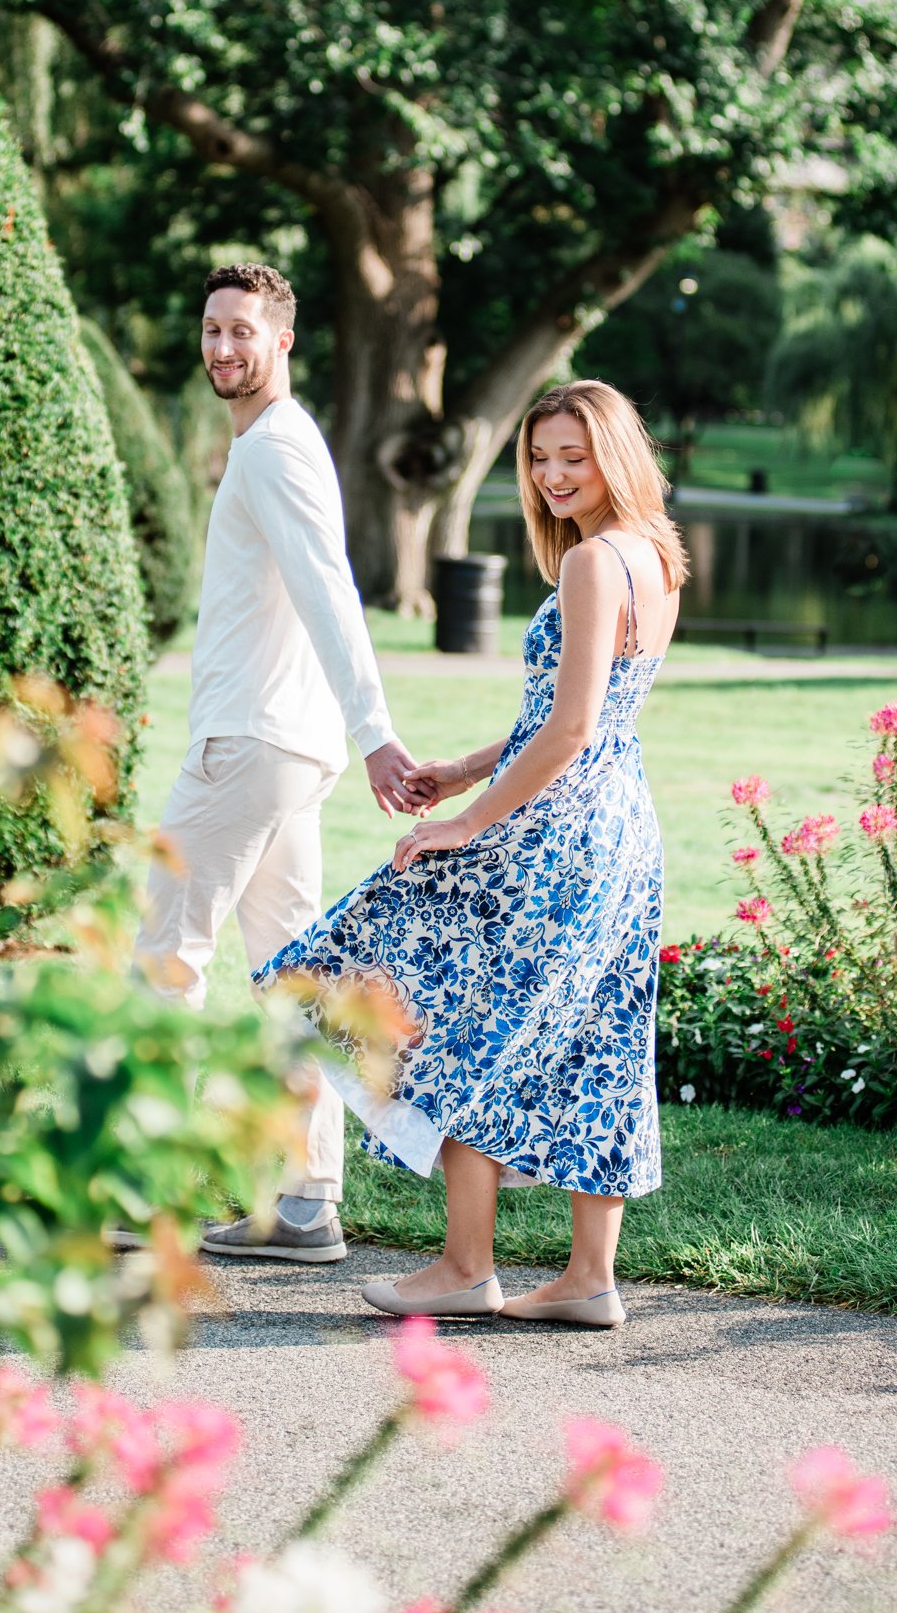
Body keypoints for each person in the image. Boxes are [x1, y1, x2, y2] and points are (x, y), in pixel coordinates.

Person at [256, 380, 685, 1325]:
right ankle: (588, 1280)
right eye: (540, 457)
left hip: (556, 834)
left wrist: (467, 822)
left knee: (451, 1020)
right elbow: (584, 718)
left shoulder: (590, 567)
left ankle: (464, 1267)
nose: (554, 474)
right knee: (597, 1044)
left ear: (615, 454)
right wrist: (461, 768)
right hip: (622, 831)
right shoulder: (655, 556)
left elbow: (571, 728)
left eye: (574, 455)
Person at [134, 263, 418, 1265]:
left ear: (283, 341)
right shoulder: (275, 443)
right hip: (283, 749)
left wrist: (377, 729)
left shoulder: (273, 449)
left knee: (161, 957)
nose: (221, 349)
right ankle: (304, 1205)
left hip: (248, 746)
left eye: (241, 332)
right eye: (210, 330)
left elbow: (331, 592)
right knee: (290, 981)